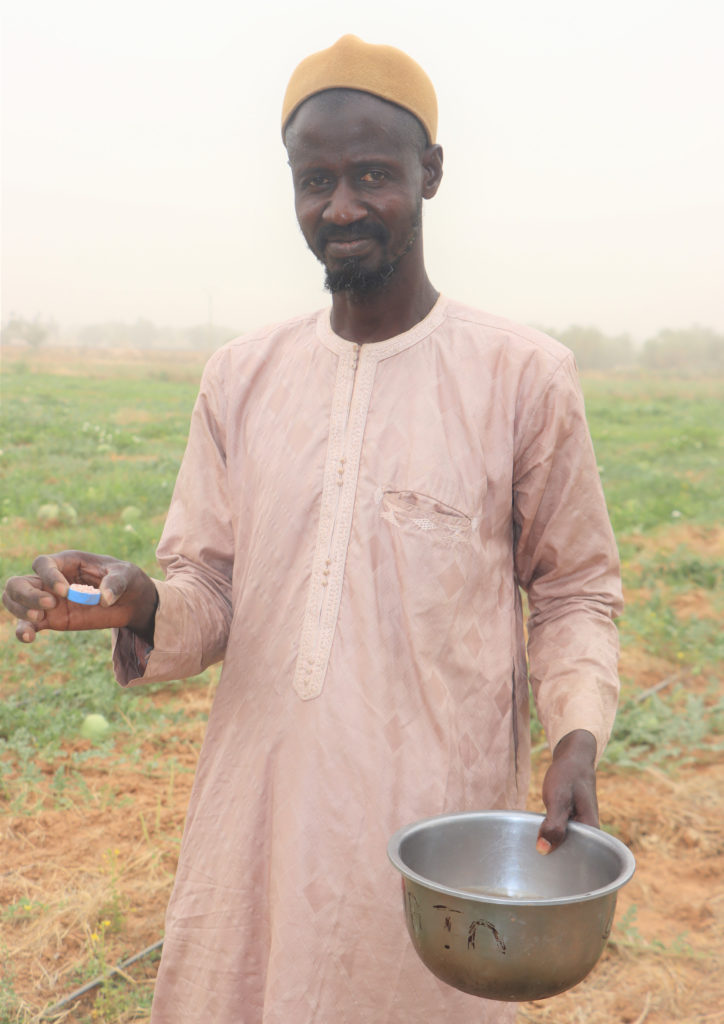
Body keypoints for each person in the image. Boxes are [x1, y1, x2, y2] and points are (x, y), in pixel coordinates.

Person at [2, 35, 622, 1024]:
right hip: (258, 813)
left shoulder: (521, 376)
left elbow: (574, 588)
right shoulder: (242, 378)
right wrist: (141, 598)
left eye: (371, 174)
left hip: (429, 828)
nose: (339, 207)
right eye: (314, 180)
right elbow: (207, 587)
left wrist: (577, 736)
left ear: (430, 173)